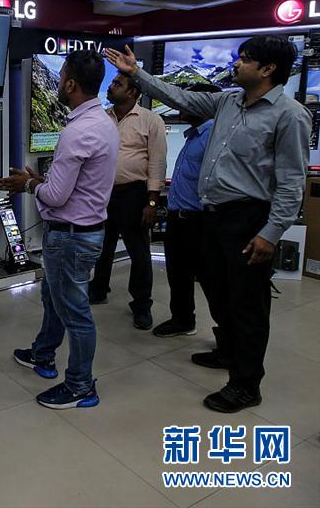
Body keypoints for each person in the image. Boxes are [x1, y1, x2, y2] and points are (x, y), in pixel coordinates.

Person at [105, 36, 310, 413]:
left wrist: (270, 233)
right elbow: (179, 97)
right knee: (218, 292)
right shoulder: (229, 102)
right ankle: (227, 352)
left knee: (248, 304)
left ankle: (246, 385)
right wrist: (138, 74)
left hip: (249, 219)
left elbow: (291, 182)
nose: (237, 64)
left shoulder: (289, 115)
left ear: (267, 69)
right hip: (212, 217)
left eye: (245, 59)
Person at [0, 49, 119, 410]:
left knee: (75, 312)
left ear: (70, 84)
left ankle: (80, 385)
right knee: (54, 297)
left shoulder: (76, 132)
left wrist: (28, 185)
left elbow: (56, 195)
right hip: (85, 230)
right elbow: (74, 185)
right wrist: (41, 181)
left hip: (70, 236)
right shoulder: (104, 122)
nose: (59, 82)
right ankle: (43, 353)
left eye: (63, 75)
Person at [89, 73, 167, 331]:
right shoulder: (103, 117)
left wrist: (152, 203)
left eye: (117, 84)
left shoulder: (151, 120)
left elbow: (157, 162)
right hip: (103, 193)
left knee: (139, 253)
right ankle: (98, 288)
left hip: (134, 194)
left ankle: (142, 304)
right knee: (102, 245)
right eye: (111, 83)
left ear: (133, 92)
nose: (111, 87)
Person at [152, 83, 226, 338]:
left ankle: (228, 339)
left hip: (199, 221)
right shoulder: (194, 135)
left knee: (211, 280)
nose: (183, 105)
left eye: (190, 101)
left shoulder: (213, 137)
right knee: (178, 274)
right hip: (179, 218)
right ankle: (182, 319)